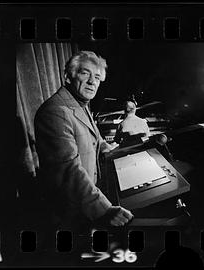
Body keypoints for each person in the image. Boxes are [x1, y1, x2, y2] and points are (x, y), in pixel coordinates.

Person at [34, 51, 133, 228]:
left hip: (84, 199)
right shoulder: (55, 112)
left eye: (96, 77)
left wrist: (104, 146)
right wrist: (105, 209)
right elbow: (68, 170)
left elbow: (95, 133)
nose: (92, 81)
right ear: (68, 76)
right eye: (85, 73)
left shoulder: (80, 103)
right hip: (71, 212)